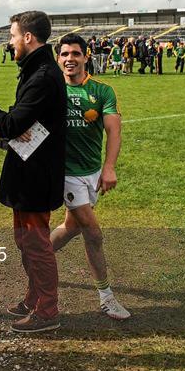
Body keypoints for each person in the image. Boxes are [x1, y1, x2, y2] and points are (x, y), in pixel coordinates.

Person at [0, 10, 66, 333]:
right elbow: (18, 122)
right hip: (27, 170)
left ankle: (48, 311)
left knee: (36, 243)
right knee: (25, 240)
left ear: (28, 38)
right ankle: (34, 298)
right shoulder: (36, 71)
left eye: (12, 36)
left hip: (36, 174)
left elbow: (12, 123)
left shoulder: (44, 75)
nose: (10, 42)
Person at [52, 33, 130, 320]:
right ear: (58, 59)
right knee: (93, 234)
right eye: (64, 54)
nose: (69, 59)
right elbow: (22, 118)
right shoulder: (52, 90)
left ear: (86, 57)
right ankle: (106, 296)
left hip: (92, 172)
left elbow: (114, 130)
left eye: (75, 53)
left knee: (71, 227)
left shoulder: (103, 91)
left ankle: (36, 258)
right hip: (65, 174)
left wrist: (108, 167)